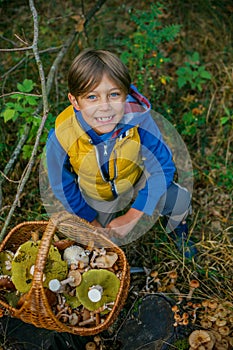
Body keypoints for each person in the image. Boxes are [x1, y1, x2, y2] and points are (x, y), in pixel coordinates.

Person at [46, 48, 197, 258]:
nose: (105, 107)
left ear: (125, 95)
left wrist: (133, 216)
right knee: (96, 245)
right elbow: (62, 184)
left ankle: (179, 231)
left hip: (134, 178)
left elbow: (163, 166)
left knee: (177, 198)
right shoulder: (62, 136)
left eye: (114, 94)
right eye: (92, 97)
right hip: (96, 193)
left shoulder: (139, 120)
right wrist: (90, 220)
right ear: (75, 101)